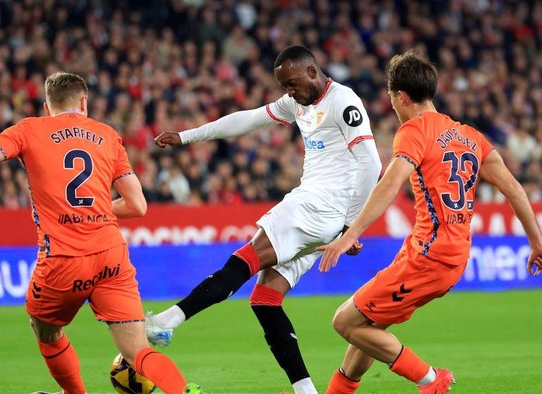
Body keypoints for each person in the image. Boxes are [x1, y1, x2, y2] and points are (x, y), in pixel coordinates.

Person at [0, 72, 201, 394]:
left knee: (45, 329)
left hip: (63, 258)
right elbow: (137, 205)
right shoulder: (107, 134)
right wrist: (94, 212)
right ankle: (184, 391)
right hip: (111, 255)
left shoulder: (30, 129)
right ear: (84, 101)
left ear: (48, 106)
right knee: (138, 351)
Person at [316, 50, 542, 394]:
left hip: (430, 256)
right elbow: (515, 190)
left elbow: (390, 184)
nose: (393, 107)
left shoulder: (413, 131)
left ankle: (431, 379)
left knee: (345, 321)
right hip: (448, 252)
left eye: (391, 99)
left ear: (400, 96)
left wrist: (349, 233)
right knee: (370, 323)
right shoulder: (471, 136)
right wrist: (537, 243)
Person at [149, 45, 382, 394]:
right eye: (284, 86)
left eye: (292, 82)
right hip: (323, 219)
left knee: (245, 259)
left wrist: (351, 228)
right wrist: (188, 136)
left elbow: (372, 164)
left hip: (316, 207)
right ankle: (306, 391)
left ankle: (168, 321)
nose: (289, 91)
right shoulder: (297, 103)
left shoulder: (343, 101)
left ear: (312, 72)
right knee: (265, 298)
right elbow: (247, 119)